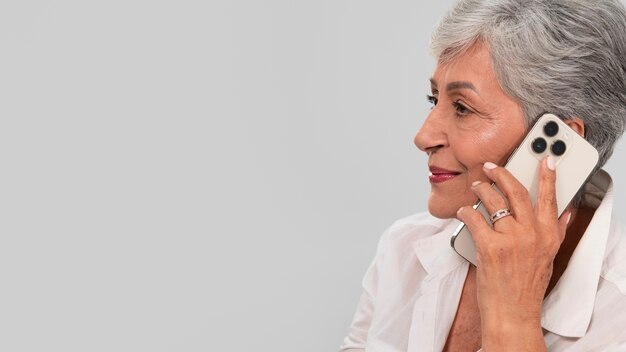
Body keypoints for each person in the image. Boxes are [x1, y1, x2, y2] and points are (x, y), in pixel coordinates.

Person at [339, 0, 626, 351]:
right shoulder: (403, 251)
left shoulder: (618, 307)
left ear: (560, 145)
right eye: (434, 100)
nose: (423, 137)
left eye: (462, 107)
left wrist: (514, 316)